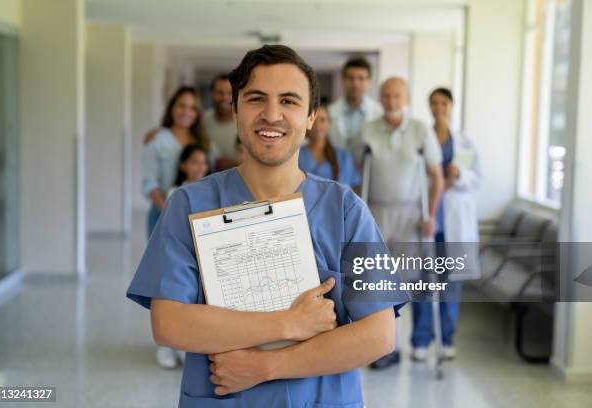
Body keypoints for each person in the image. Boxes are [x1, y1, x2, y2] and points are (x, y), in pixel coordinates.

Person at [127, 44, 406, 408]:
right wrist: (289, 324)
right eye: (257, 99)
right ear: (235, 109)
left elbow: (379, 335)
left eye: (289, 101)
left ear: (310, 116)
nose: (271, 115)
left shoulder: (347, 211)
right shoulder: (189, 205)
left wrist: (267, 365)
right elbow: (169, 324)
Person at [360, 77, 444, 369]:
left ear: (406, 98)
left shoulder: (421, 130)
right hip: (377, 212)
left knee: (408, 282)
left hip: (411, 215)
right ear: (380, 98)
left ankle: (415, 341)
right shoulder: (368, 128)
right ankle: (385, 347)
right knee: (376, 281)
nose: (391, 101)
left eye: (397, 96)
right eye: (386, 96)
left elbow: (437, 177)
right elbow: (362, 172)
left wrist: (430, 214)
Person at [141, 86, 213, 369]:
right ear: (172, 107)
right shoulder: (157, 140)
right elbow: (149, 182)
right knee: (165, 284)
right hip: (164, 216)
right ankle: (164, 344)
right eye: (181, 105)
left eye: (193, 107)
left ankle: (183, 340)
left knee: (191, 285)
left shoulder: (202, 141)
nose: (187, 112)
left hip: (198, 220)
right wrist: (171, 214)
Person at [410, 87, 481, 361]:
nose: (438, 107)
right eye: (434, 103)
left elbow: (477, 178)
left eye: (443, 103)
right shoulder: (422, 138)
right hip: (428, 221)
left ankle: (447, 339)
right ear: (429, 107)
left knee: (451, 286)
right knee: (423, 284)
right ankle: (420, 340)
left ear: (451, 106)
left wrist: (459, 175)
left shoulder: (464, 142)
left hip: (454, 225)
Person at [328, 57, 383, 156]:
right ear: (343, 80)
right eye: (350, 78)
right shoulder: (330, 112)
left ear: (369, 81)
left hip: (368, 169)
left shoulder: (379, 113)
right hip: (336, 168)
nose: (355, 84)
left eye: (361, 78)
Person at [299, 104, 361, 189]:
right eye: (313, 120)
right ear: (307, 123)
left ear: (329, 123)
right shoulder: (297, 156)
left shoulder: (343, 157)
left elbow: (351, 192)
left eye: (322, 120)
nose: (317, 125)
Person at [203, 74, 238, 170]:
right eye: (219, 92)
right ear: (211, 94)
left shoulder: (245, 121)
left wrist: (232, 165)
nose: (224, 97)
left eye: (229, 93)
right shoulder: (202, 119)